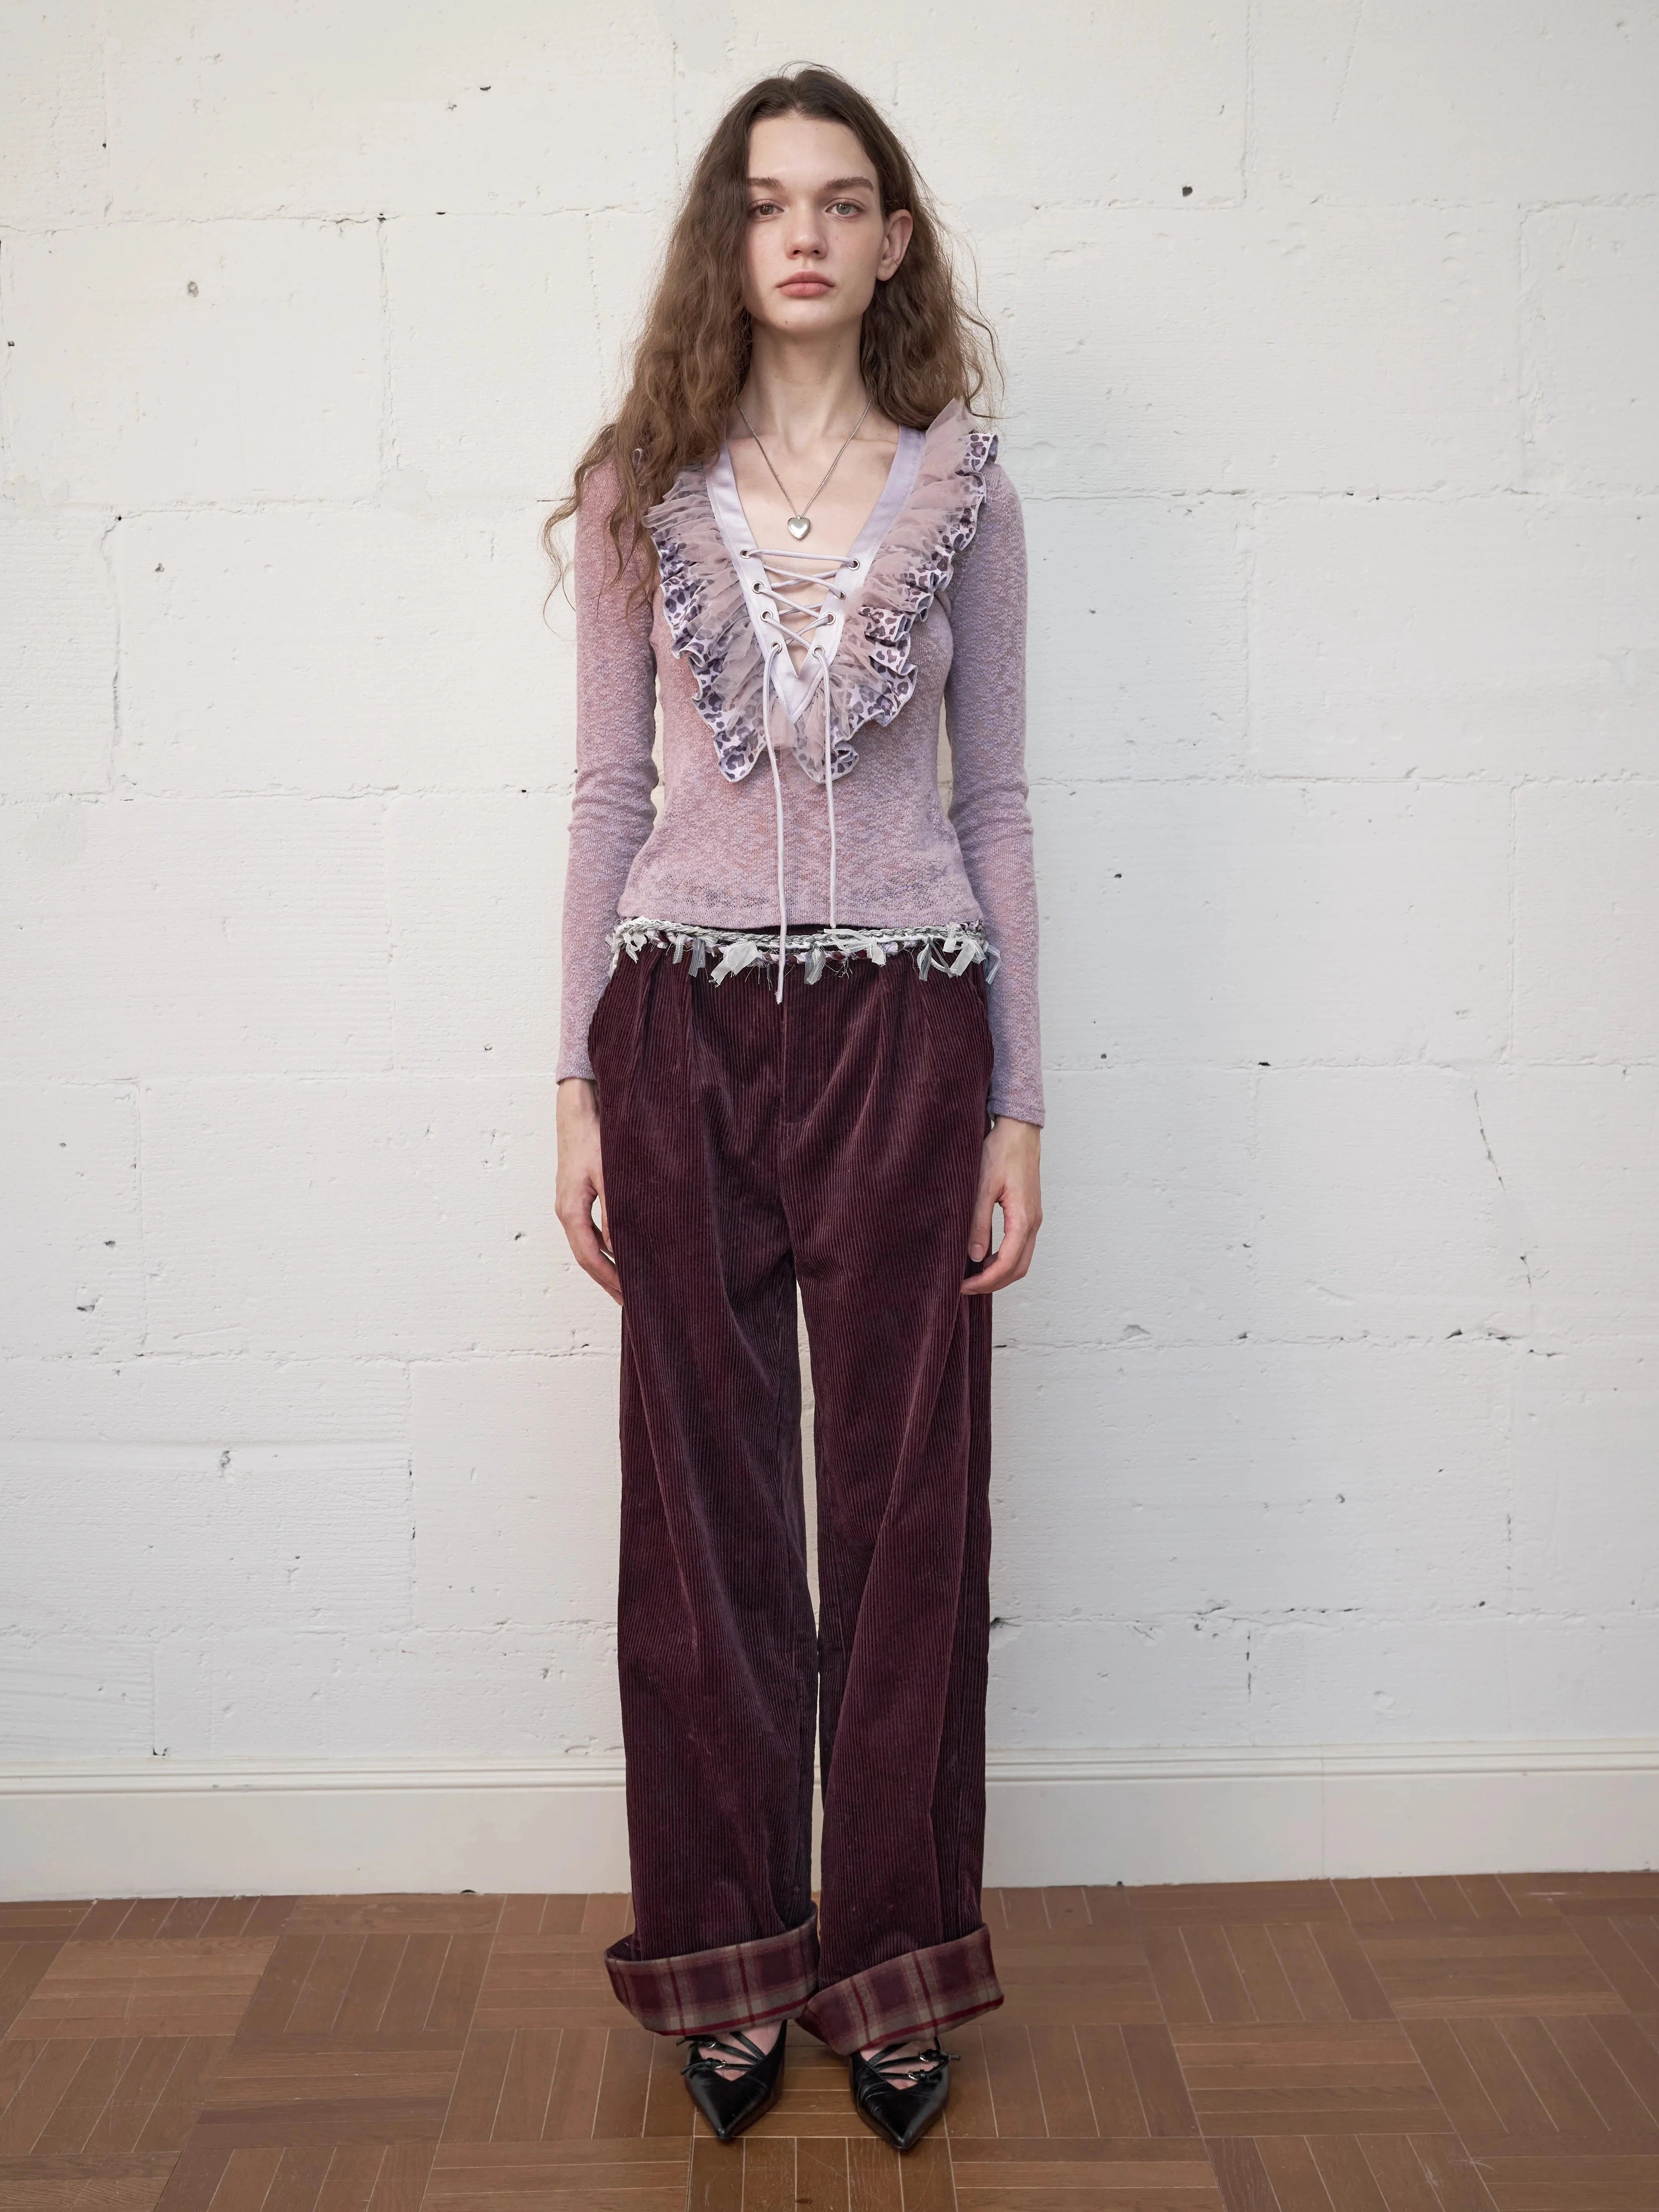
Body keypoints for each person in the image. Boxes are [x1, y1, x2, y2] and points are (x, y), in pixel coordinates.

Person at [548, 63, 1043, 2153]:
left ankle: (895, 1964)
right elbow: (609, 793)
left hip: (909, 1032)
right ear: (728, 240)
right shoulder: (639, 490)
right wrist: (574, 1072)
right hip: (679, 1031)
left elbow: (996, 802)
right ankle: (732, 1959)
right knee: (706, 1526)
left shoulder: (968, 495)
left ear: (893, 239)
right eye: (769, 202)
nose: (807, 234)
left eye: (844, 201)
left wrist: (1020, 1102)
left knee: (912, 1518)